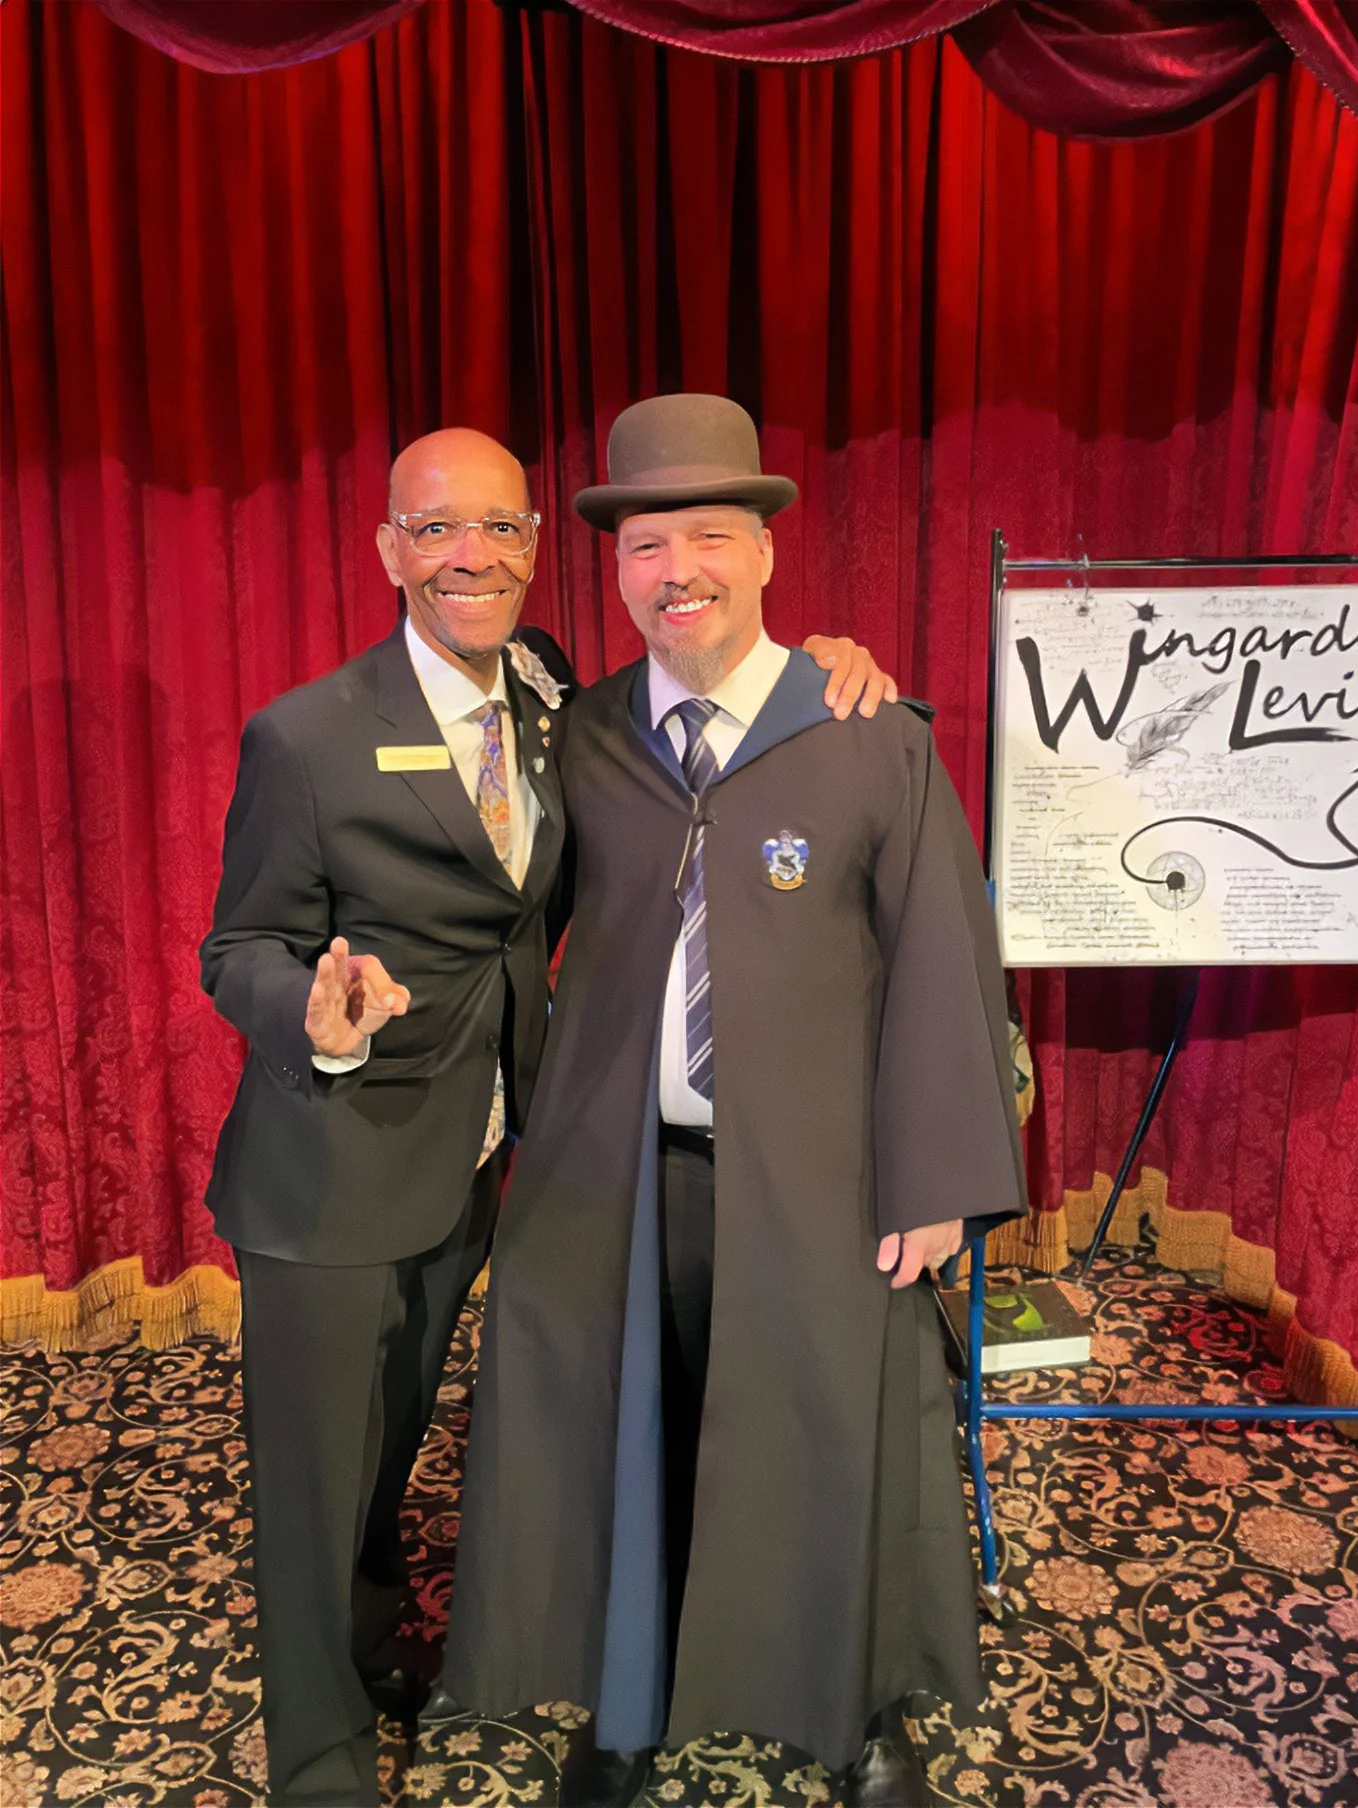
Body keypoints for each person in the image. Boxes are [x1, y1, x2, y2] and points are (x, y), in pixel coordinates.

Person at [199, 424, 892, 1807]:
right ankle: (320, 1762)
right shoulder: (309, 734)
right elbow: (240, 948)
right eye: (436, 528)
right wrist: (311, 1019)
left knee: (390, 1446)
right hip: (329, 1169)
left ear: (532, 549)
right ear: (390, 549)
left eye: (501, 528)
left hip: (482, 1160)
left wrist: (824, 665)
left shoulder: (552, 694)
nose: (470, 554)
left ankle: (366, 1650)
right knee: (315, 1480)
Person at [430, 395, 1028, 1808]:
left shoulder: (867, 736)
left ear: (764, 551)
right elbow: (499, 919)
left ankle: (856, 1714)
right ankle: (627, 1705)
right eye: (646, 545)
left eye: (708, 535)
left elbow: (946, 967)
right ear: (617, 568)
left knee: (831, 1442)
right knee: (626, 1439)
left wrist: (935, 1181)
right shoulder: (581, 739)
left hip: (821, 1182)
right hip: (621, 1177)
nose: (677, 570)